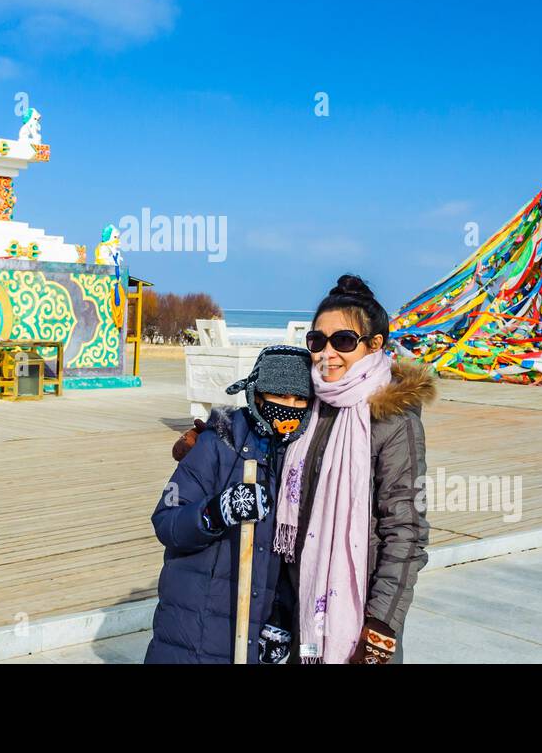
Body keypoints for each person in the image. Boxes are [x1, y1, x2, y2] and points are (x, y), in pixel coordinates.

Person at [275, 274, 434, 664]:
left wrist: (381, 626)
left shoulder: (392, 419)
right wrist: (214, 435)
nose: (326, 353)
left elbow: (406, 531)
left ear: (375, 345)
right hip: (295, 600)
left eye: (343, 341)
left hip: (358, 608)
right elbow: (257, 424)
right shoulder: (305, 403)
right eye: (317, 341)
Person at [145, 345, 314, 663]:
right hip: (193, 630)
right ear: (258, 395)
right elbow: (167, 521)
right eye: (279, 396)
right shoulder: (218, 442)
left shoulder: (303, 460)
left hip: (252, 635)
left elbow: (293, 558)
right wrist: (217, 511)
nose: (290, 407)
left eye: (300, 399)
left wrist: (279, 619)